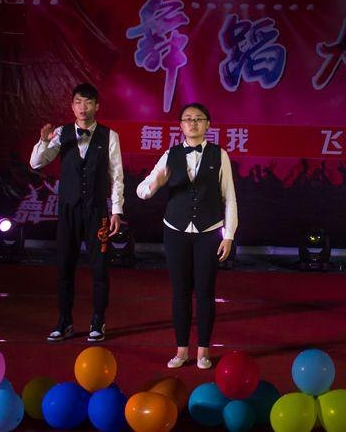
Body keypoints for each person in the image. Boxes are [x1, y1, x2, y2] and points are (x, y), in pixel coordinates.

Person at [136, 102, 237, 370]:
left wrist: (228, 235)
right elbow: (141, 191)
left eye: (198, 119)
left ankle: (203, 350)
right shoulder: (170, 154)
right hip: (175, 231)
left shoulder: (220, 155)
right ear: (181, 125)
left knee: (205, 292)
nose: (193, 123)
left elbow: (229, 197)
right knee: (180, 292)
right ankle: (181, 350)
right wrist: (156, 184)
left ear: (208, 124)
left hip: (208, 232)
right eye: (188, 119)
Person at [30, 83, 123, 342]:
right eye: (79, 102)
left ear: (97, 107)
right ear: (72, 106)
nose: (83, 108)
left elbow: (116, 175)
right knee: (64, 267)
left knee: (100, 269)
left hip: (97, 211)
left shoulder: (109, 136)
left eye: (89, 102)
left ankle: (98, 321)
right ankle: (64, 322)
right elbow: (36, 163)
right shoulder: (61, 133)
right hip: (68, 210)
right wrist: (43, 141)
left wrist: (116, 210)